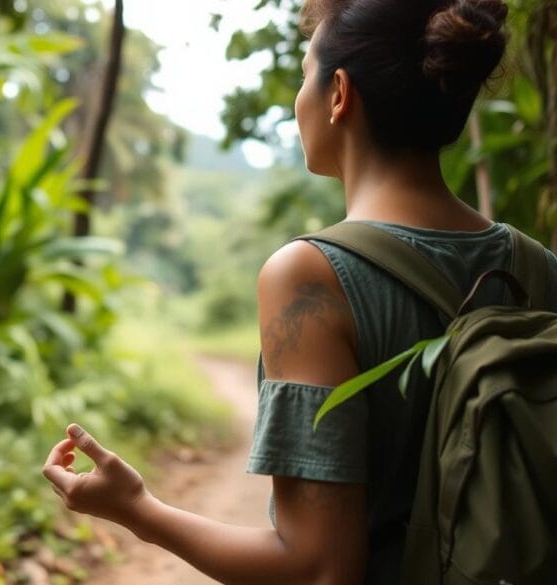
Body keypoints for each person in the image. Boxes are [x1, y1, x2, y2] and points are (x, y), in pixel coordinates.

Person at [42, 0, 557, 583]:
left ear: (339, 92)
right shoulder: (538, 267)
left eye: (305, 73)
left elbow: (319, 568)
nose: (298, 98)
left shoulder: (310, 276)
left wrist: (137, 510)